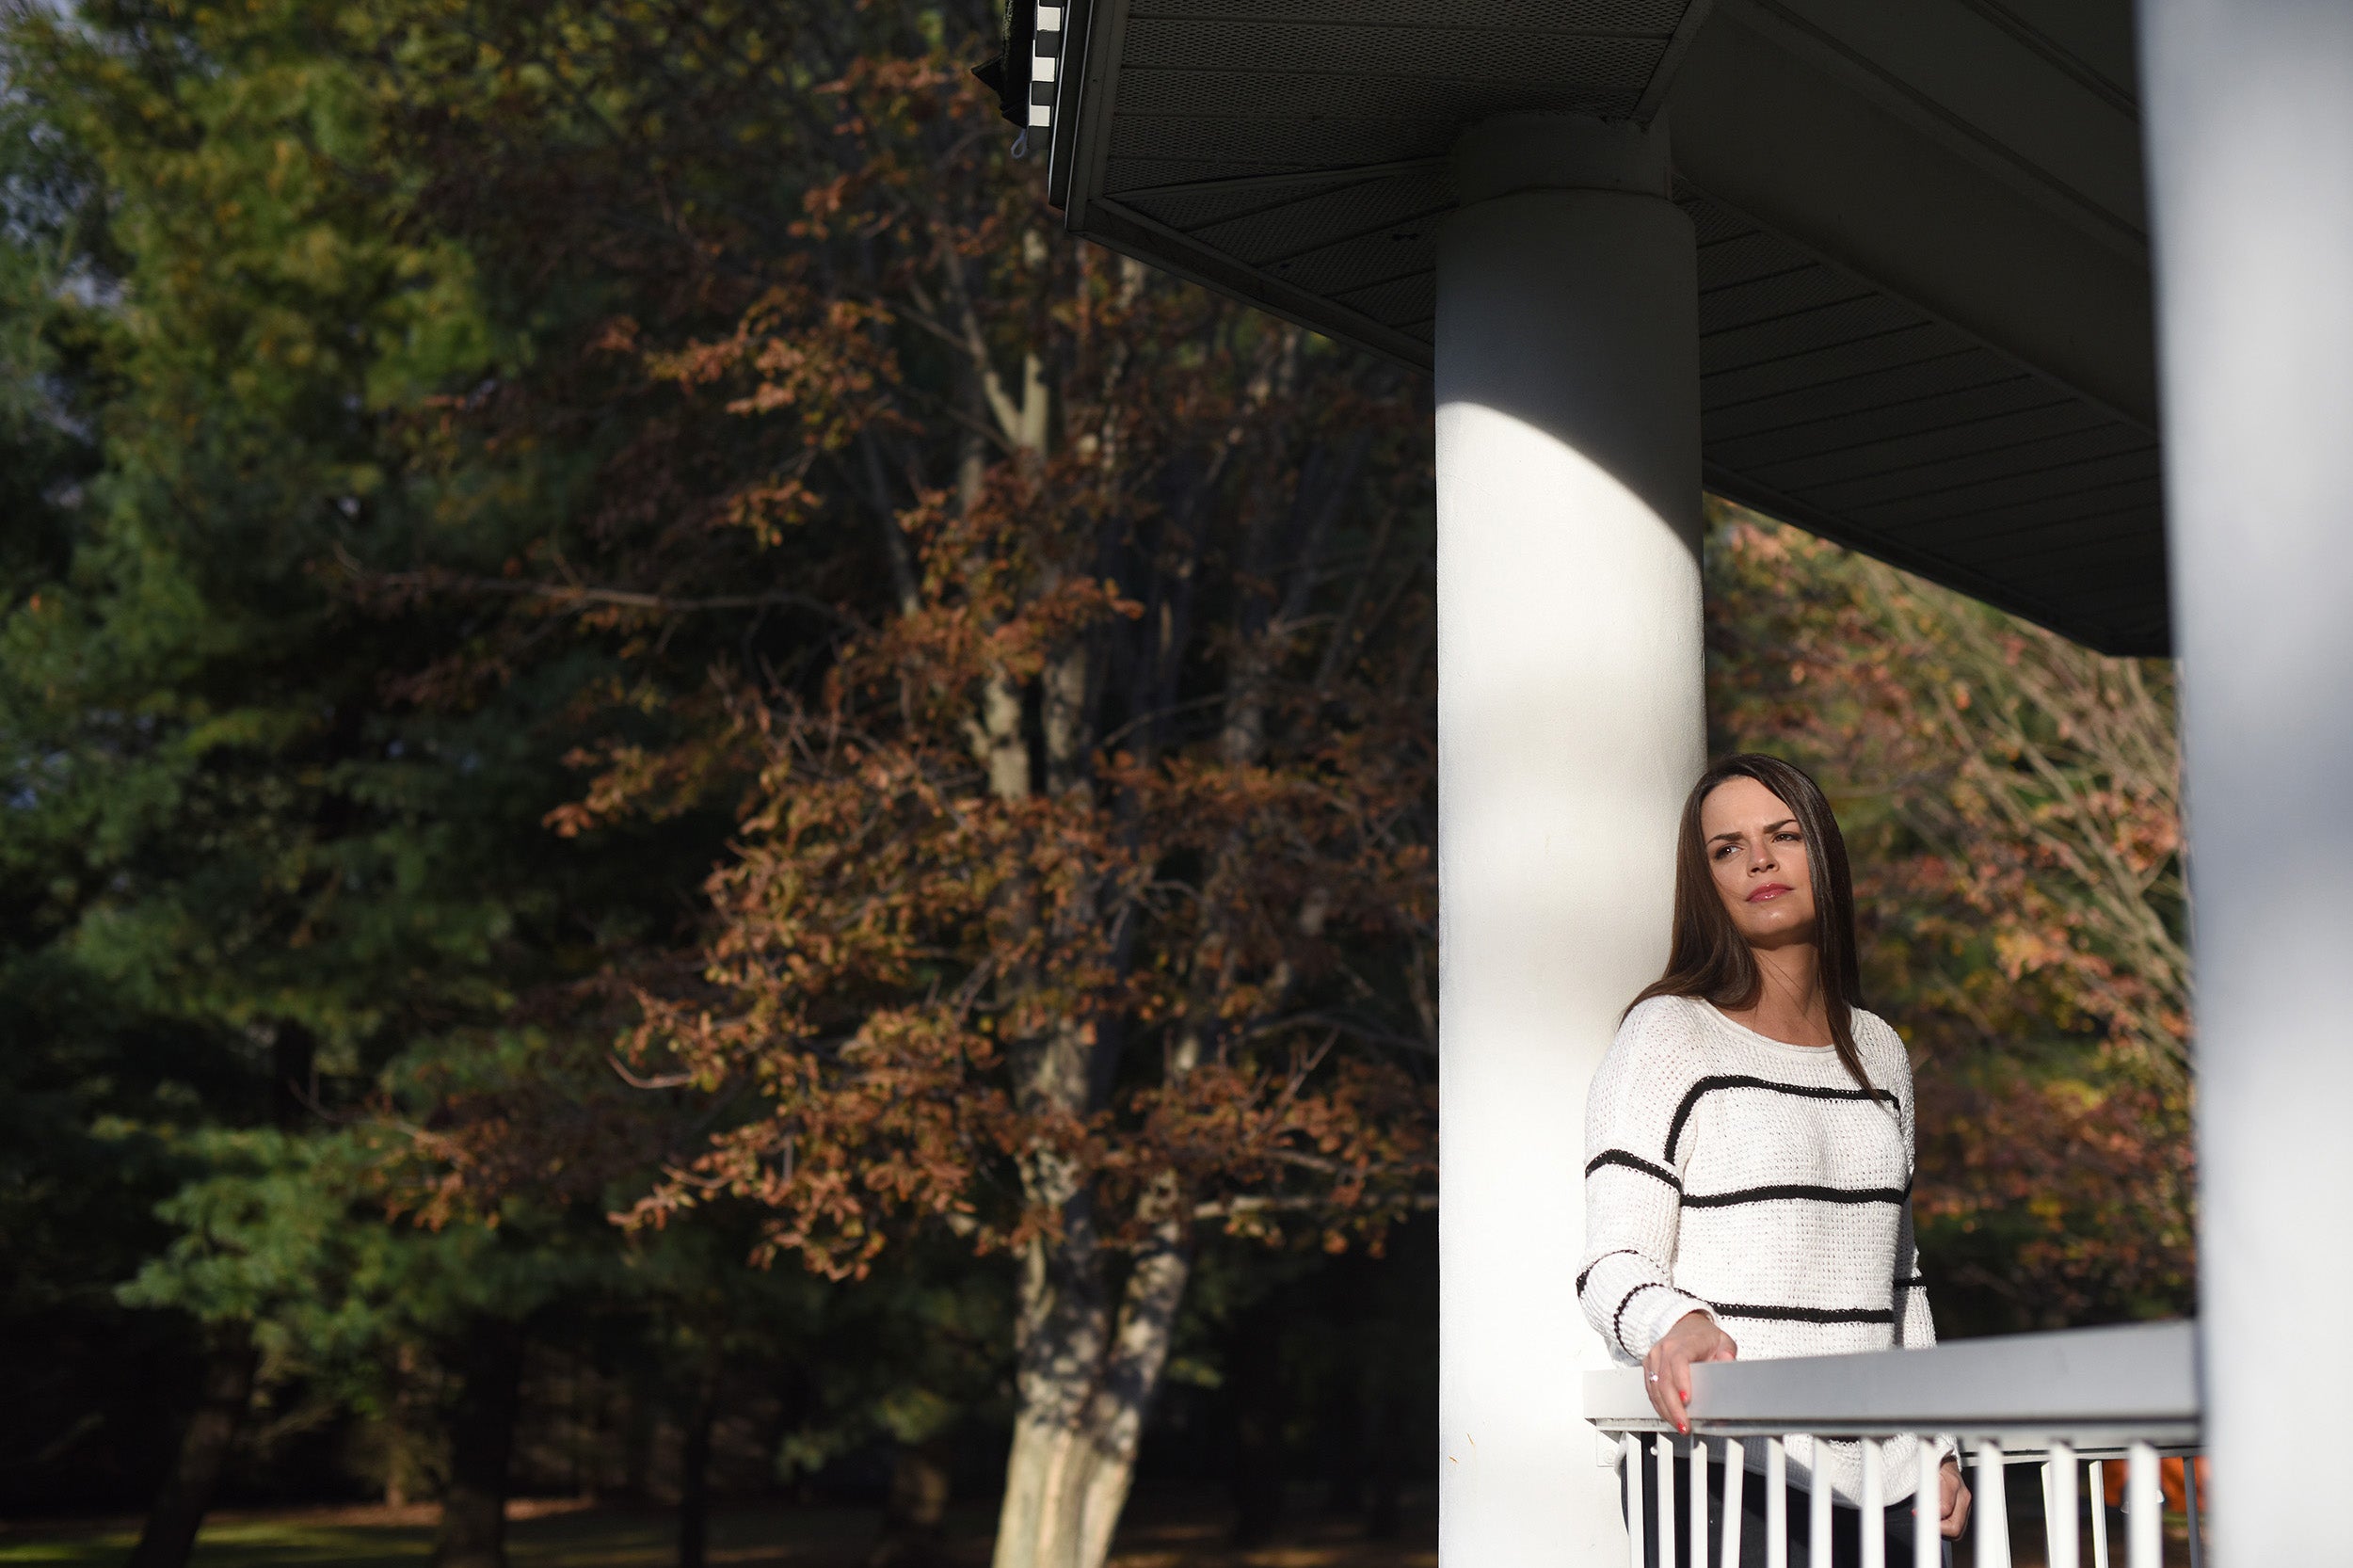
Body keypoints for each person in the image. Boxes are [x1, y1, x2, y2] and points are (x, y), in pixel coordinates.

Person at [1578, 754, 1973, 1567]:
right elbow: (1612, 1264)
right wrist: (1678, 1325)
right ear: (1705, 880)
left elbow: (1901, 1279)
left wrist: (1939, 1441)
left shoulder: (1879, 1051)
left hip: (1884, 1478)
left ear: (1822, 854)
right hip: (1729, 1468)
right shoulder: (1666, 1036)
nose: (1758, 860)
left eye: (1783, 835)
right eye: (1726, 848)